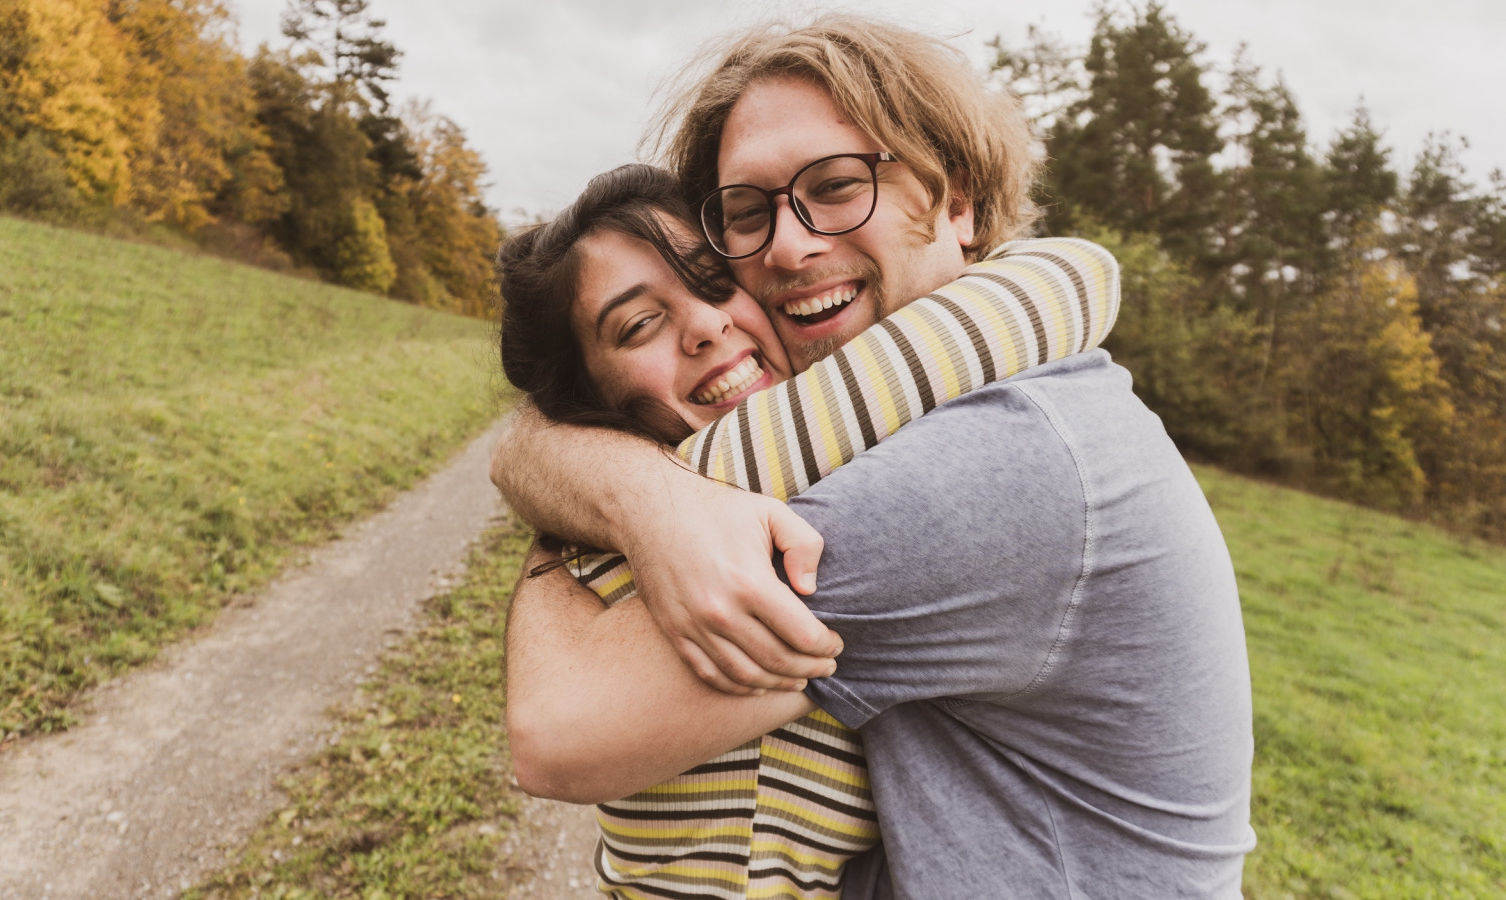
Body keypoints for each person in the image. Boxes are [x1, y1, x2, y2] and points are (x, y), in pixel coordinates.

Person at [501, 15, 1255, 898]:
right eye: (748, 213)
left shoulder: (994, 464)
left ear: (959, 203)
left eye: (837, 185)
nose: (788, 244)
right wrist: (620, 487)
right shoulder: (911, 420)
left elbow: (563, 726)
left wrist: (610, 492)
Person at [498, 163, 1120, 897]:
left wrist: (562, 473)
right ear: (591, 394)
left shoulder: (631, 507)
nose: (704, 325)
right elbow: (1074, 280)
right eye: (639, 326)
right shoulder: (755, 498)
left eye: (712, 279)